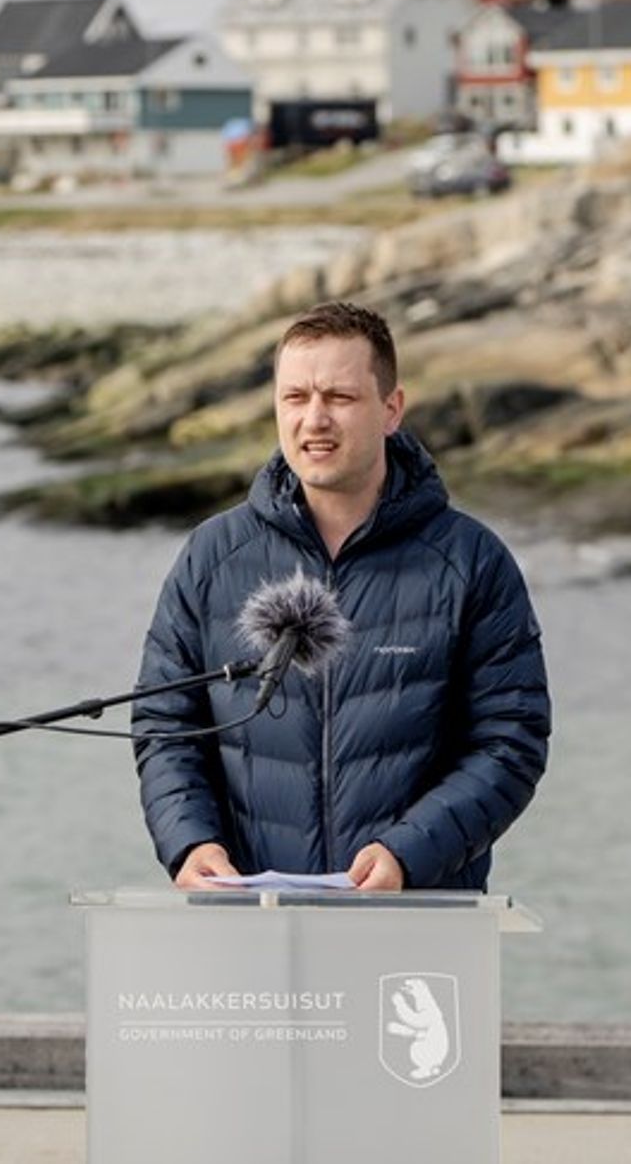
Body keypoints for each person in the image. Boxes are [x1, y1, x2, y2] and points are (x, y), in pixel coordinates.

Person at [132, 302, 549, 892]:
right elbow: (166, 723)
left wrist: (408, 854)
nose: (315, 419)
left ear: (391, 410)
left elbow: (511, 739)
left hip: (415, 919)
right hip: (251, 924)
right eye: (295, 398)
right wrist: (190, 842)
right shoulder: (212, 556)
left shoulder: (471, 561)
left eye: (340, 398)